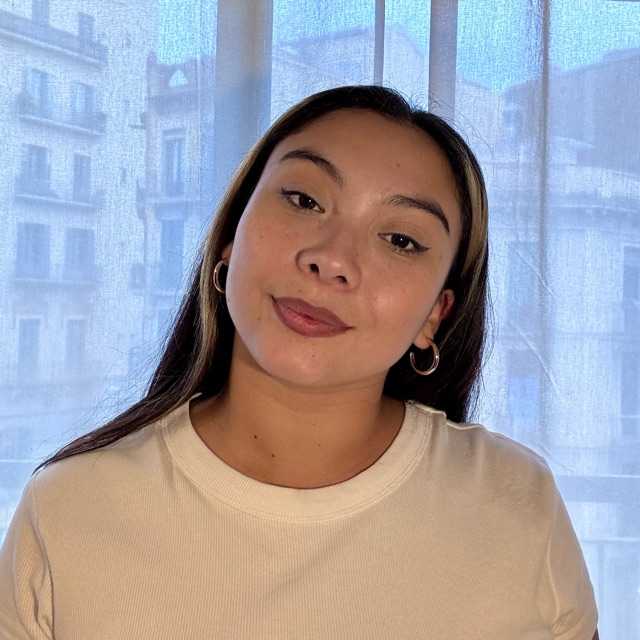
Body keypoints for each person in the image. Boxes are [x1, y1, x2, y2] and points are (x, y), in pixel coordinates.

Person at [0, 85, 599, 639]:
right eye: (304, 199)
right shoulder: (70, 509)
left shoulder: (516, 503)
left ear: (435, 316)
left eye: (400, 240)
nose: (331, 259)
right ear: (230, 239)